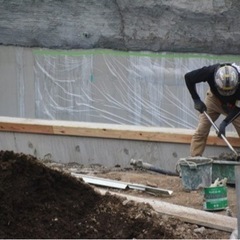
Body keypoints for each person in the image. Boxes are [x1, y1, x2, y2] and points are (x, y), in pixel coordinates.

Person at [184, 63, 240, 157]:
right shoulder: (210, 72)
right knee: (201, 130)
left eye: (229, 90)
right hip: (214, 100)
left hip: (234, 105)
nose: (226, 93)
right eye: (224, 90)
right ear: (215, 81)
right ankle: (195, 160)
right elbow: (188, 77)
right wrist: (196, 99)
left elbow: (238, 108)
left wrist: (225, 123)